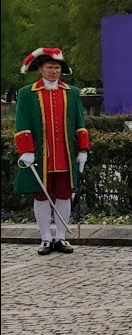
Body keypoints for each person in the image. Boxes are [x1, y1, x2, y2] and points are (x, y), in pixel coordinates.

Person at [12, 47, 89, 256]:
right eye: (49, 67)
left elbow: (79, 122)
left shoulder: (71, 93)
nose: (54, 71)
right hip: (40, 156)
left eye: (56, 68)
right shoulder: (27, 94)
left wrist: (83, 149)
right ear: (41, 69)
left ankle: (60, 237)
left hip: (65, 154)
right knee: (41, 196)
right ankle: (45, 237)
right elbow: (22, 123)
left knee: (65, 195)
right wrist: (26, 150)